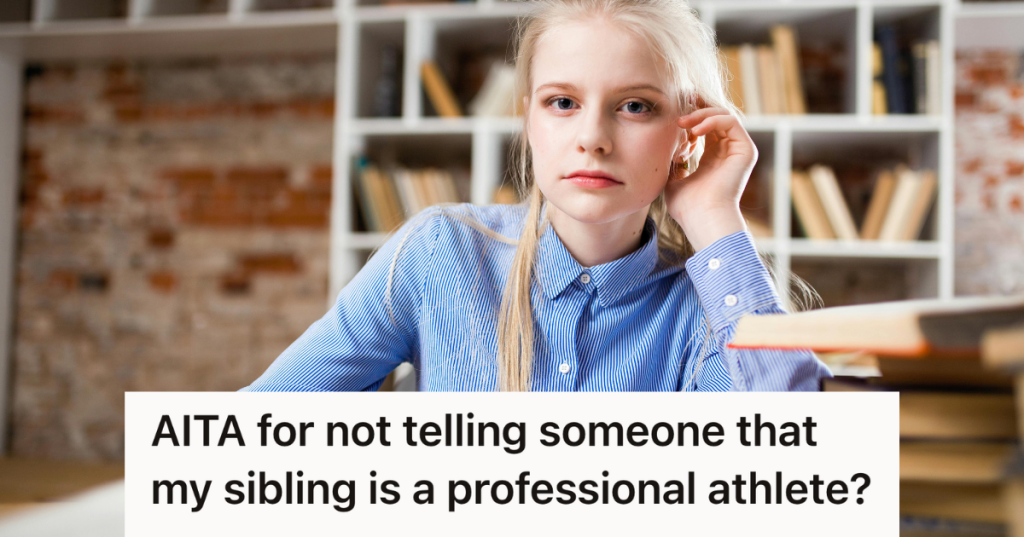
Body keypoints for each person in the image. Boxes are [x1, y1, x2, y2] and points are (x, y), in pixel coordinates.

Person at [240, 0, 832, 393]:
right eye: (563, 103)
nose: (592, 140)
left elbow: (812, 469)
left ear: (686, 131)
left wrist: (713, 216)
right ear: (529, 120)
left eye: (635, 106)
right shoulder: (440, 251)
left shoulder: (710, 307)